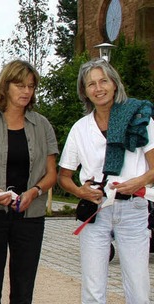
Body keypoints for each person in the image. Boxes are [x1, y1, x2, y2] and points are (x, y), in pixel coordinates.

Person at [58, 58, 153, 303]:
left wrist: (137, 182)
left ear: (114, 84)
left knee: (138, 287)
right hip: (96, 211)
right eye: (91, 84)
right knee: (92, 289)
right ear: (84, 91)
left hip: (132, 208)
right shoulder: (80, 128)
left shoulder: (140, 118)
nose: (98, 88)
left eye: (103, 81)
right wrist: (81, 192)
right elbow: (64, 177)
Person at [0, 60, 58, 303]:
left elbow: (52, 174)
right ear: (5, 86)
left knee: (23, 286)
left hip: (30, 216)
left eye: (31, 86)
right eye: (20, 85)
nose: (26, 91)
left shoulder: (42, 125)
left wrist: (34, 192)